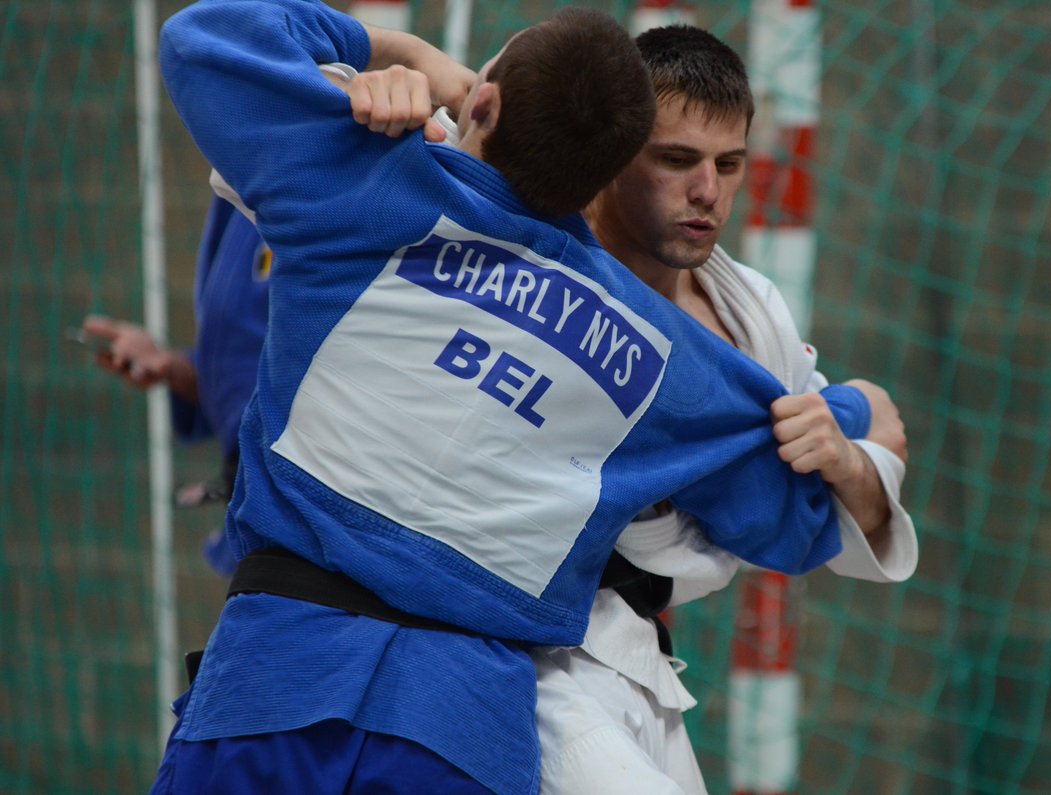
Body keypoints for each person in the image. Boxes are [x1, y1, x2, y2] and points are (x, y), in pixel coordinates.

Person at [152, 3, 875, 793]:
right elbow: (797, 516)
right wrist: (855, 415)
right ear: (611, 174)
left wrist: (402, 51)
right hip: (459, 732)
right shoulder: (660, 353)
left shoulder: (363, 181)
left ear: (484, 102)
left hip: (271, 682)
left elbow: (205, 38)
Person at [528, 26, 920, 794]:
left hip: (640, 661)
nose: (707, 191)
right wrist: (398, 70)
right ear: (613, 151)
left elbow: (858, 497)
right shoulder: (537, 263)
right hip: (526, 654)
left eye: (729, 164)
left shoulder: (750, 313)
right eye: (677, 160)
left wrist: (847, 457)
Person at [82, 196, 269, 576]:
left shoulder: (340, 184)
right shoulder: (238, 188)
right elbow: (244, 362)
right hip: (258, 504)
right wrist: (176, 369)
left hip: (315, 502)